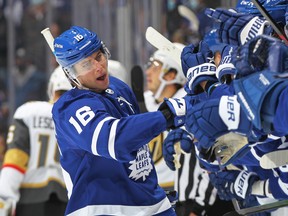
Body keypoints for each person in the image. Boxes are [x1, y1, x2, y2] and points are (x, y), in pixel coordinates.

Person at [50, 25, 188, 216]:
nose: (99, 67)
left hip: (153, 205)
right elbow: (116, 140)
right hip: (103, 210)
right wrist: (168, 115)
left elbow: (137, 142)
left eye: (99, 56)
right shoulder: (70, 108)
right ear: (70, 73)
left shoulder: (118, 87)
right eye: (86, 64)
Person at [144, 45, 227, 216]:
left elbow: (212, 151)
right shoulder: (156, 106)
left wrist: (198, 207)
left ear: (171, 74)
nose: (148, 72)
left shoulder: (191, 103)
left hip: (199, 204)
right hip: (175, 199)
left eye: (155, 66)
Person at [0, 65, 71, 216]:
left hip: (30, 202)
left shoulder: (29, 112)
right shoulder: (80, 120)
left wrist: (4, 199)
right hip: (68, 202)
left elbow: (15, 160)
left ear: (52, 88)